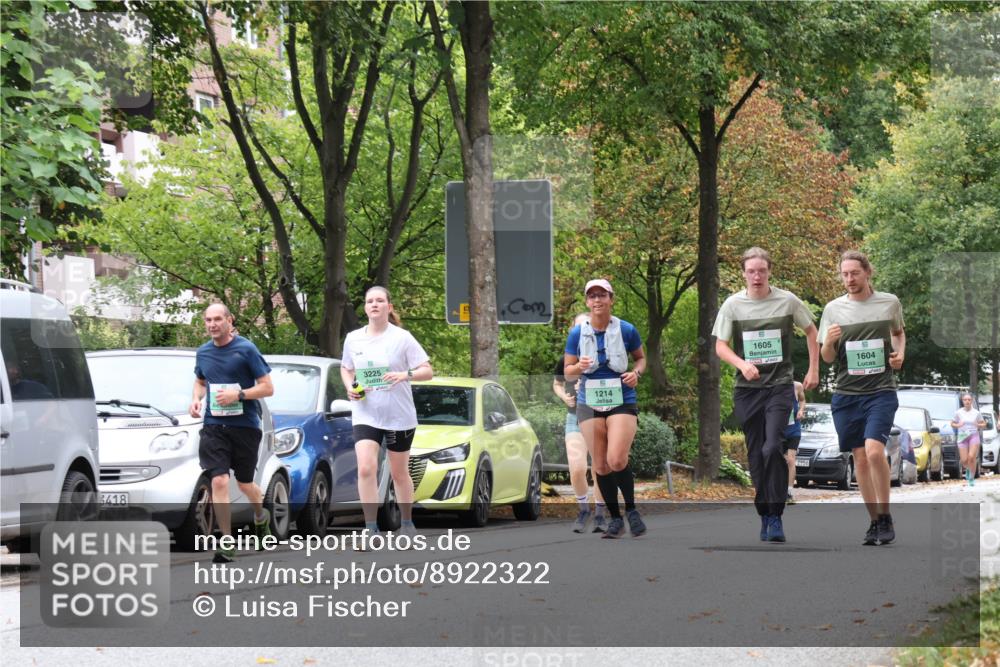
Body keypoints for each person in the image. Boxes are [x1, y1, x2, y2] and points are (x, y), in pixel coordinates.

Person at [714, 248, 819, 543]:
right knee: (756, 453)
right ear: (743, 273)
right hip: (747, 391)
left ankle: (775, 515)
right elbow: (720, 346)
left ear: (769, 271)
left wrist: (813, 370)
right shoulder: (733, 305)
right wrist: (741, 363)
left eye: (762, 271)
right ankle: (764, 513)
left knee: (773, 446)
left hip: (779, 386)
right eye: (751, 271)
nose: (757, 276)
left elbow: (811, 331)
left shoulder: (787, 301)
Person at [819, 250, 905, 546]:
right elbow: (827, 358)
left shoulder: (889, 302)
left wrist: (899, 354)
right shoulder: (833, 309)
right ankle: (875, 522)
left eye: (854, 273)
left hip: (881, 391)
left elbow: (898, 333)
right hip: (846, 395)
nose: (849, 279)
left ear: (867, 272)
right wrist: (829, 341)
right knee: (859, 458)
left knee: (873, 450)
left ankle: (886, 514)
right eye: (844, 274)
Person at [341, 286, 432, 544]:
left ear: (389, 307)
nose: (374, 304)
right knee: (366, 468)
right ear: (365, 307)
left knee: (398, 472)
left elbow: (427, 370)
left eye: (380, 300)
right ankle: (370, 528)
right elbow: (346, 369)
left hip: (398, 415)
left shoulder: (402, 338)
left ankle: (406, 523)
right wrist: (351, 387)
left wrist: (404, 375)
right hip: (366, 412)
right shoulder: (353, 338)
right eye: (370, 301)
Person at [188, 303, 274, 564]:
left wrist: (239, 394)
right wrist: (195, 399)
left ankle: (261, 517)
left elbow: (267, 388)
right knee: (220, 481)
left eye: (217, 319)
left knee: (246, 484)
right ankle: (226, 541)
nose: (212, 324)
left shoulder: (246, 349)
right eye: (208, 320)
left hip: (245, 426)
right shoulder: (203, 353)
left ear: (229, 320)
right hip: (214, 426)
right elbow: (201, 381)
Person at [564, 279, 647, 539]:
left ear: (611, 299)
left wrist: (636, 373)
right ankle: (615, 519)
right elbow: (568, 371)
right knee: (600, 466)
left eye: (602, 295)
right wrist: (580, 367)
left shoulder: (626, 329)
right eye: (592, 296)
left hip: (621, 397)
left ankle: (632, 510)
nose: (597, 300)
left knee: (617, 459)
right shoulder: (577, 333)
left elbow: (641, 359)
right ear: (587, 302)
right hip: (590, 401)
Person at [553, 314, 606, 533]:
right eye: (578, 327)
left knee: (600, 468)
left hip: (599, 416)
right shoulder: (566, 358)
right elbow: (556, 383)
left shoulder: (605, 355)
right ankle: (584, 509)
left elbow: (617, 382)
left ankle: (601, 513)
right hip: (574, 416)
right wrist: (564, 396)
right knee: (577, 468)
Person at [951, 393, 986, 486]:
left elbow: (984, 424)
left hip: (973, 436)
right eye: (965, 400)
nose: (967, 401)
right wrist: (958, 425)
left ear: (971, 401)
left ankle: (971, 478)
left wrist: (978, 425)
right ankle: (967, 469)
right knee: (964, 460)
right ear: (962, 401)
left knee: (971, 457)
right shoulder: (958, 412)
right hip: (962, 436)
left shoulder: (976, 412)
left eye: (969, 400)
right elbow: (952, 423)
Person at [783, 381, 807, 504]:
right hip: (778, 430)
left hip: (794, 430)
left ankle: (790, 492)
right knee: (776, 459)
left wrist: (801, 410)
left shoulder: (797, 386)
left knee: (791, 459)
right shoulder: (772, 386)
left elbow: (802, 400)